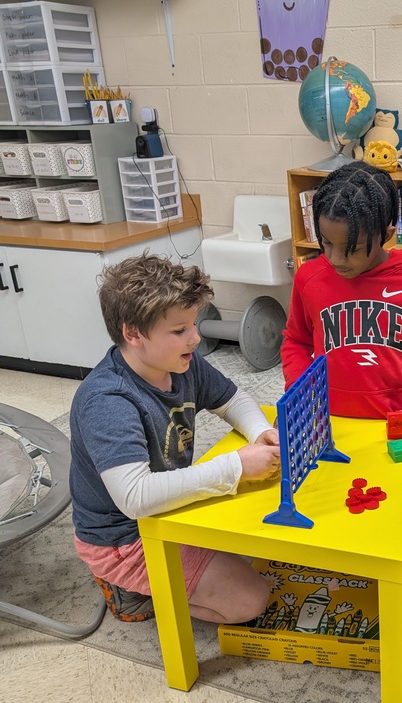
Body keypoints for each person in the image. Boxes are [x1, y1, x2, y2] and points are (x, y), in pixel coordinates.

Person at [70, 254, 281, 624]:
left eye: (194, 324)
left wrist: (261, 431)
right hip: (124, 538)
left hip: (164, 510)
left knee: (266, 537)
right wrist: (235, 466)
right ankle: (131, 591)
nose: (196, 338)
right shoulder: (108, 401)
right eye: (180, 330)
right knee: (251, 600)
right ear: (133, 333)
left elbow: (232, 398)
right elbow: (135, 498)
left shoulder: (178, 361)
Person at [281, 161, 402, 434]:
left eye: (353, 249)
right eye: (326, 243)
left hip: (401, 422)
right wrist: (299, 396)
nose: (335, 259)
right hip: (326, 421)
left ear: (385, 236)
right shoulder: (308, 277)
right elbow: (295, 341)